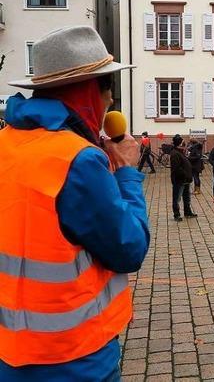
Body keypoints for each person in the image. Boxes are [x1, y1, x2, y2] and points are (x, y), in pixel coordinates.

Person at [0, 25, 149, 381]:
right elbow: (129, 248)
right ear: (88, 93)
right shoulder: (78, 159)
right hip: (74, 357)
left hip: (10, 351)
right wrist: (126, 171)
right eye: (108, 90)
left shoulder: (6, 143)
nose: (111, 102)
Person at [170, 134, 197, 221]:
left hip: (185, 180)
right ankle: (176, 215)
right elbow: (177, 168)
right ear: (180, 143)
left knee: (186, 197)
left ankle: (187, 212)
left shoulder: (180, 152)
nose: (184, 143)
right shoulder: (175, 154)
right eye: (182, 142)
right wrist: (185, 174)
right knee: (177, 198)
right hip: (179, 180)